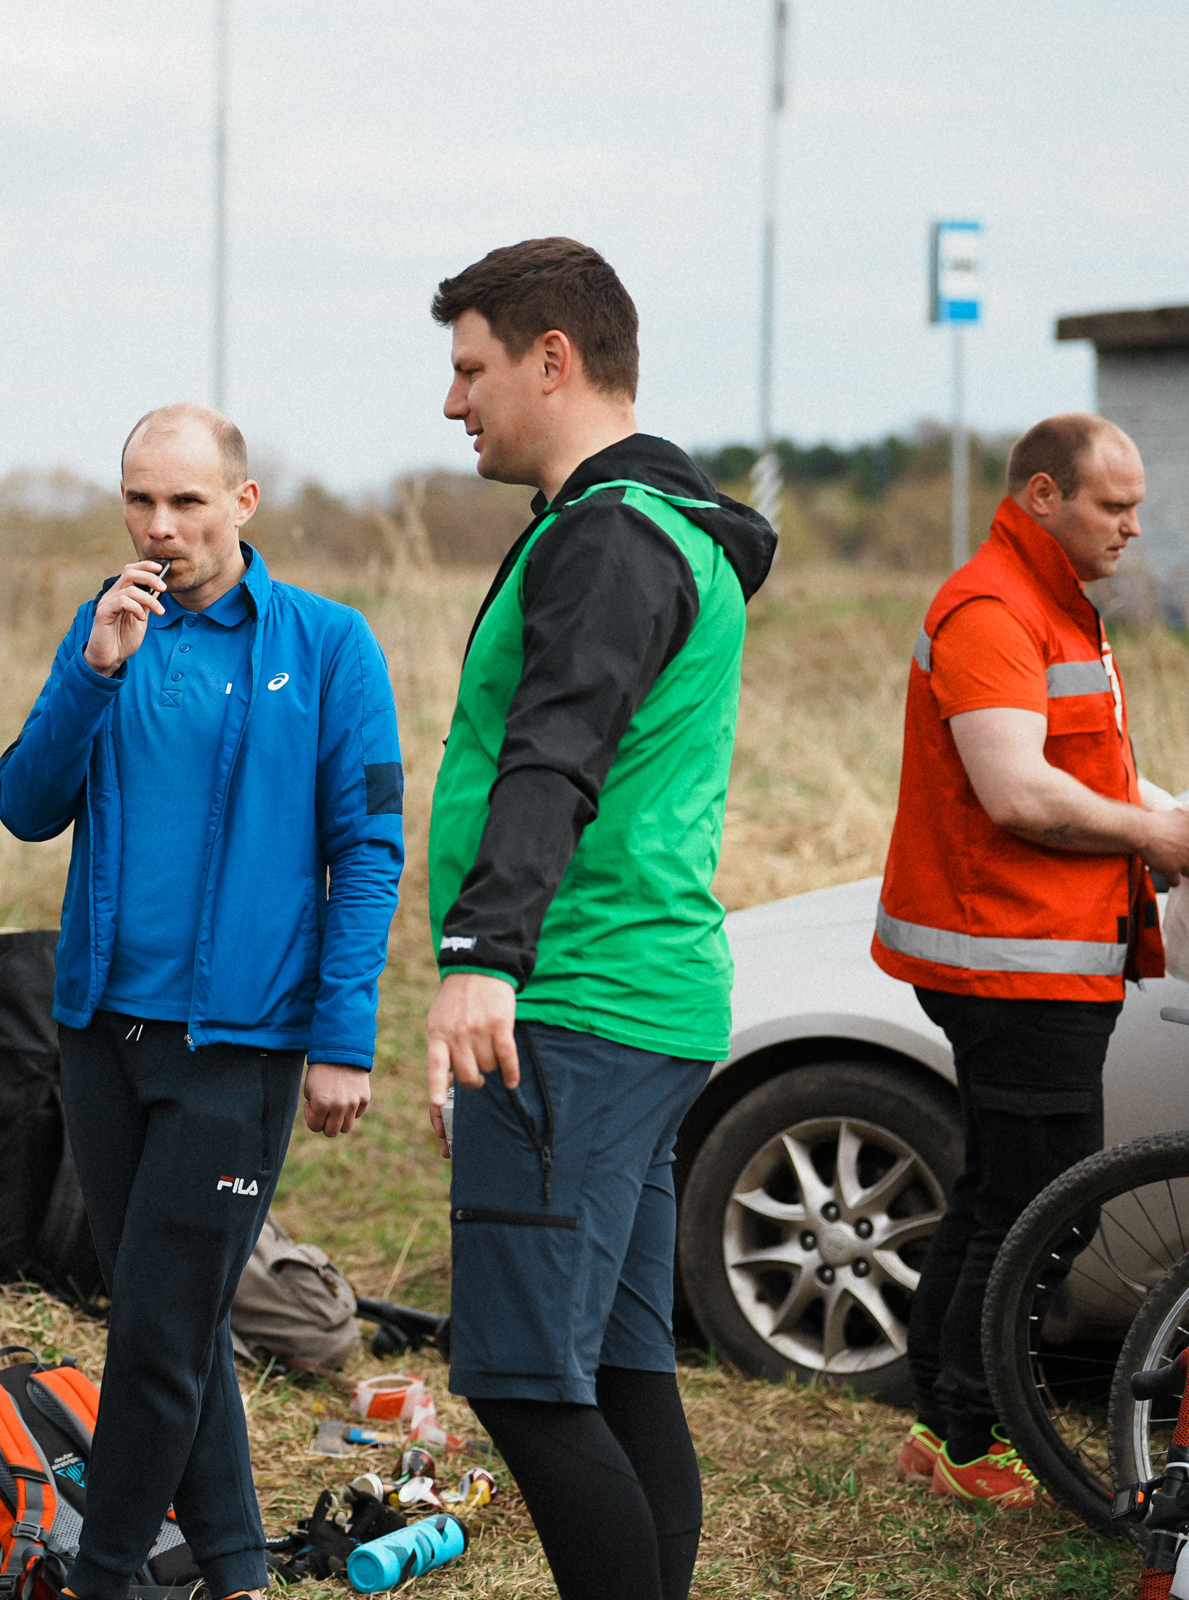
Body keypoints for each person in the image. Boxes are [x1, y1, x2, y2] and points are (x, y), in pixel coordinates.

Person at [0, 402, 404, 1600]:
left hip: (242, 1045)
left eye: (184, 500)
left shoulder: (329, 647)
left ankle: (105, 1573)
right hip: (99, 1035)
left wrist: (343, 1034)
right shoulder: (106, 630)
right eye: (139, 500)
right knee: (168, 1316)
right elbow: (26, 804)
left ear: (243, 502)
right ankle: (236, 1568)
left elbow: (368, 849)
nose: (160, 527)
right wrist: (94, 671)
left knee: (158, 1335)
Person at [421, 238, 775, 1600]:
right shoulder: (664, 528)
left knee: (518, 1380)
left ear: (551, 359)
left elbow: (552, 757)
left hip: (574, 1003)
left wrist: (482, 961)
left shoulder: (611, 538)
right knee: (621, 1371)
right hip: (640, 1003)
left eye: (471, 368)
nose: (455, 404)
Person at [873, 413, 1189, 1507]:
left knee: (996, 1197)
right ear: (1039, 496)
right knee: (1046, 1213)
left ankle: (939, 1429)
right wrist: (1150, 837)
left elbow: (1090, 767)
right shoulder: (993, 608)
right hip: (1011, 960)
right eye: (1112, 506)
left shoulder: (1056, 607)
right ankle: (975, 1437)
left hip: (1040, 956)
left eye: (1136, 507)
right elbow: (1016, 789)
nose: (1130, 526)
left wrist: (1183, 818)